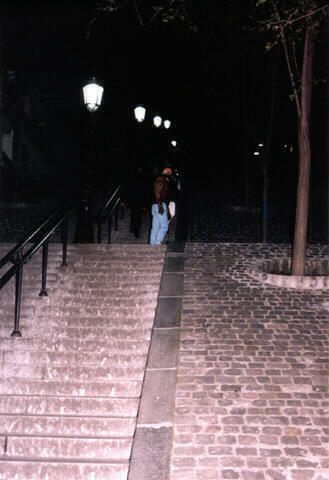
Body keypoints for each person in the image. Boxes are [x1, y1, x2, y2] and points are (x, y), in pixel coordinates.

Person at [149, 165, 178, 244]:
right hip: (160, 205)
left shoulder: (158, 180)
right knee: (164, 226)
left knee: (155, 227)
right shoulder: (163, 180)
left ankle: (152, 244)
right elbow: (173, 190)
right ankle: (157, 243)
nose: (170, 172)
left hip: (155, 205)